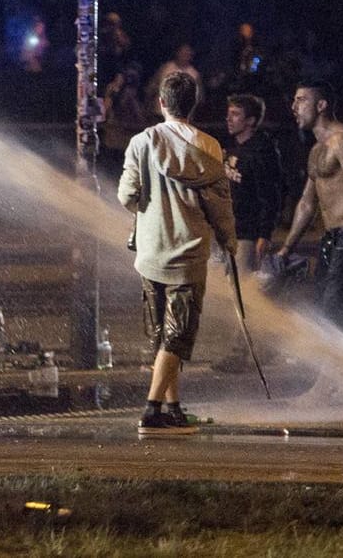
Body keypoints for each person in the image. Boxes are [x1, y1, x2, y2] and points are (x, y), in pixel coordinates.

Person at [117, 71, 235, 437]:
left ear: (162, 103)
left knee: (161, 336)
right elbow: (221, 207)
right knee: (178, 336)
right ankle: (153, 410)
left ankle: (172, 407)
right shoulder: (211, 148)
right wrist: (229, 243)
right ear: (194, 104)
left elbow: (126, 196)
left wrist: (150, 204)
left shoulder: (142, 142)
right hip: (189, 252)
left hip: (152, 251)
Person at [277, 80, 343, 333]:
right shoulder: (315, 151)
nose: (294, 107)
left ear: (321, 105)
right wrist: (286, 249)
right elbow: (306, 204)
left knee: (335, 310)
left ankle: (339, 369)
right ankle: (340, 367)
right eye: (294, 100)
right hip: (332, 236)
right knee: (324, 307)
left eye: (301, 100)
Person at [223, 94, 284, 273]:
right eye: (228, 113)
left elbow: (271, 196)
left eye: (235, 114)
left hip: (248, 234)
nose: (229, 118)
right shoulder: (234, 147)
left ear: (250, 120)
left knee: (243, 289)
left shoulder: (261, 152)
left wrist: (264, 235)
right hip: (229, 230)